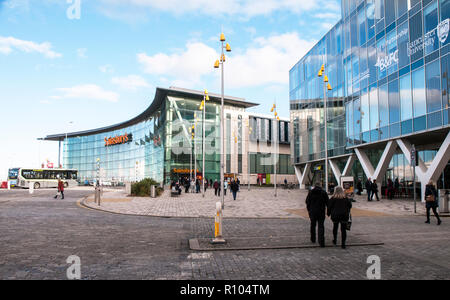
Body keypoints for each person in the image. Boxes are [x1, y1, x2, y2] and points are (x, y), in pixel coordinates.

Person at [305, 181, 329, 247]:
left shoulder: (311, 192)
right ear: (320, 185)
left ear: (314, 186)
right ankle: (321, 241)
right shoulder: (324, 193)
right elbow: (328, 203)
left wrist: (309, 210)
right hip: (321, 212)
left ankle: (313, 239)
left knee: (313, 225)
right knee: (321, 226)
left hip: (313, 212)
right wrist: (328, 212)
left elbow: (307, 202)